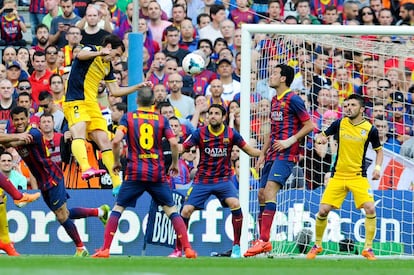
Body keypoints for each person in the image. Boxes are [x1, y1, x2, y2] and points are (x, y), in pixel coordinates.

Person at [91, 87, 197, 258]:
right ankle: (188, 248)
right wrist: (175, 164)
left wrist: (117, 162)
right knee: (171, 210)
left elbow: (117, 140)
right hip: (156, 173)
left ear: (137, 101)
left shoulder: (129, 117)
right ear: (154, 102)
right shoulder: (161, 120)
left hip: (134, 172)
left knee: (118, 208)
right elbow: (173, 142)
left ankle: (105, 249)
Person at [2, 106, 111, 257]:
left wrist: (10, 138)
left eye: (22, 119)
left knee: (61, 216)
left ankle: (81, 248)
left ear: (28, 118)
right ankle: (100, 212)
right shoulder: (18, 135)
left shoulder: (33, 132)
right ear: (12, 121)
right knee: (63, 214)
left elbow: (13, 140)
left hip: (52, 177)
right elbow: (8, 142)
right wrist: (11, 138)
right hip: (42, 181)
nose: (19, 122)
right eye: (16, 120)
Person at [62, 34, 152, 192]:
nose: (116, 59)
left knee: (104, 140)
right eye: (116, 54)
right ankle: (86, 168)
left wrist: (138, 86)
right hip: (75, 101)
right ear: (108, 47)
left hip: (92, 104)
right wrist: (99, 53)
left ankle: (117, 183)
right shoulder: (91, 50)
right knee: (79, 133)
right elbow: (79, 55)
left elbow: (115, 91)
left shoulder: (108, 67)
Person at [171, 104, 261, 258]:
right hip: (202, 180)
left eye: (216, 113)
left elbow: (249, 151)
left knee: (235, 204)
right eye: (210, 113)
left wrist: (265, 152)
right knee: (185, 211)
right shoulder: (199, 133)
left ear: (223, 117)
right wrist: (167, 144)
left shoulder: (231, 134)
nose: (212, 116)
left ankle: (237, 247)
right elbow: (182, 148)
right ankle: (179, 249)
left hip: (223, 180)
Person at [244, 64, 314, 257]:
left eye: (274, 73)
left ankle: (264, 241)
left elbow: (309, 125)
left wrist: (288, 141)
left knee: (269, 192)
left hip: (286, 154)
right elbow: (273, 132)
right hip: (272, 155)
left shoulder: (294, 99)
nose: (271, 76)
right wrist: (261, 155)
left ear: (283, 78)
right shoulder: (274, 100)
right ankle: (262, 239)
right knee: (260, 194)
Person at [306, 94, 383, 261]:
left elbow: (379, 150)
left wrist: (377, 168)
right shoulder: (339, 123)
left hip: (358, 176)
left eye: (353, 105)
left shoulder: (370, 129)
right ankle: (318, 245)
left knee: (370, 208)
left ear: (362, 109)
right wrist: (320, 138)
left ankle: (368, 248)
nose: (348, 108)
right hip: (338, 175)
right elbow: (323, 135)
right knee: (323, 210)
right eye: (346, 105)